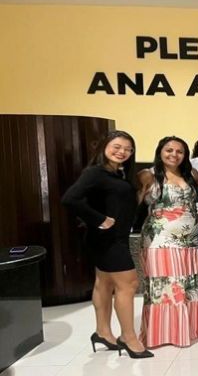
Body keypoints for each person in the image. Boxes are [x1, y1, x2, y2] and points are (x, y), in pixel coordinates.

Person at [61, 131, 152, 358]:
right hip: (107, 239)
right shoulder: (95, 172)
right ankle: (128, 337)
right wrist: (99, 219)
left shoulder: (117, 173)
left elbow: (118, 204)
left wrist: (139, 194)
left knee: (104, 283)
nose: (122, 152)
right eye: (117, 146)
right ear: (104, 146)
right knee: (129, 284)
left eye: (128, 149)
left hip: (112, 238)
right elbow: (69, 199)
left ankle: (103, 332)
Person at [137, 136, 198, 348]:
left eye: (179, 151)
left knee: (191, 283)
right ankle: (163, 333)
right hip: (160, 239)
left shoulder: (191, 173)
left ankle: (192, 327)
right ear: (160, 152)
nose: (174, 155)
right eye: (169, 150)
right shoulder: (147, 174)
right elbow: (133, 202)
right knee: (167, 284)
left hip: (192, 237)